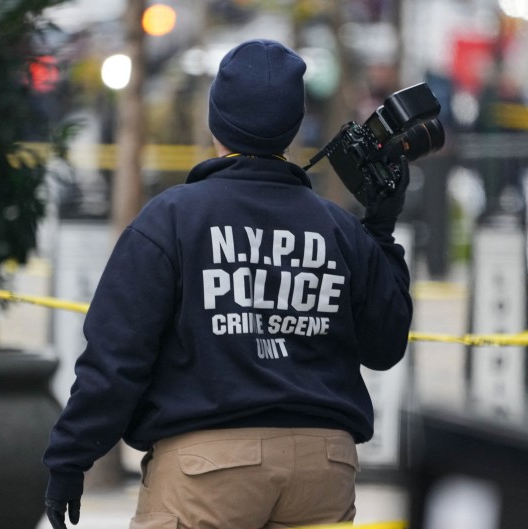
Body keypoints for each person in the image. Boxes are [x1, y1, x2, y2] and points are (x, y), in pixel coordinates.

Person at [42, 39, 413, 528]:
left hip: (206, 471)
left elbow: (116, 358)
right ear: (294, 128)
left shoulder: (171, 221)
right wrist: (380, 233)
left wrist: (70, 456)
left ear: (215, 121)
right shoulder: (339, 229)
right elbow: (386, 346)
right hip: (324, 467)